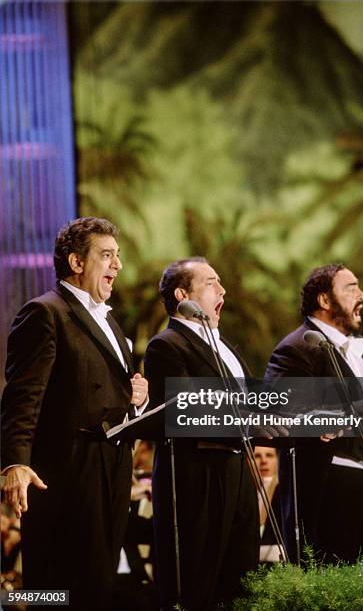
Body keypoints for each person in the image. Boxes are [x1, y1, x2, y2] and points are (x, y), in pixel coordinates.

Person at [1, 217, 148, 610]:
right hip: (67, 473)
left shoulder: (111, 322)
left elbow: (108, 390)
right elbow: (22, 396)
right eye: (106, 255)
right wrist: (14, 463)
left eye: (118, 256)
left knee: (96, 587)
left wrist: (137, 398)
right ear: (76, 262)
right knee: (56, 589)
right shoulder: (44, 313)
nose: (117, 265)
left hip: (111, 470)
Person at [264, 263, 363, 563]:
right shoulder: (294, 350)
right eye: (351, 288)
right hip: (335, 489)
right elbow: (283, 413)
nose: (362, 295)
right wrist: (350, 411)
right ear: (325, 301)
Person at [143, 257, 260, 611]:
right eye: (211, 282)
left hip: (237, 469)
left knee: (241, 577)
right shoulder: (166, 346)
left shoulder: (224, 346)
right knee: (200, 580)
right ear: (183, 295)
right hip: (196, 475)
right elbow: (183, 410)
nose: (223, 290)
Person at [253, 446, 283, 564]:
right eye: (256, 456)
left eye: (269, 455)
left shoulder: (282, 493)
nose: (264, 461)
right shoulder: (240, 494)